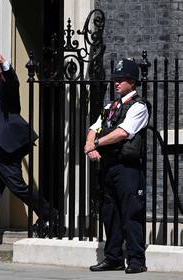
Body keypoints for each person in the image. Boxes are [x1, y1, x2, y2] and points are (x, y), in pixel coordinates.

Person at [0, 50, 60, 245]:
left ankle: (50, 214)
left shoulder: (5, 90)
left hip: (4, 151)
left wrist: (4, 63)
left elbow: (13, 83)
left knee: (18, 187)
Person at [84, 58, 150, 274]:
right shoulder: (109, 106)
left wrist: (96, 143)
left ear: (132, 82)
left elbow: (123, 133)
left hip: (127, 167)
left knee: (131, 212)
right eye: (115, 79)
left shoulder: (139, 106)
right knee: (110, 213)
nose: (117, 83)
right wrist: (89, 145)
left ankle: (136, 260)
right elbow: (95, 127)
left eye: (121, 79)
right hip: (108, 166)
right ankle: (113, 257)